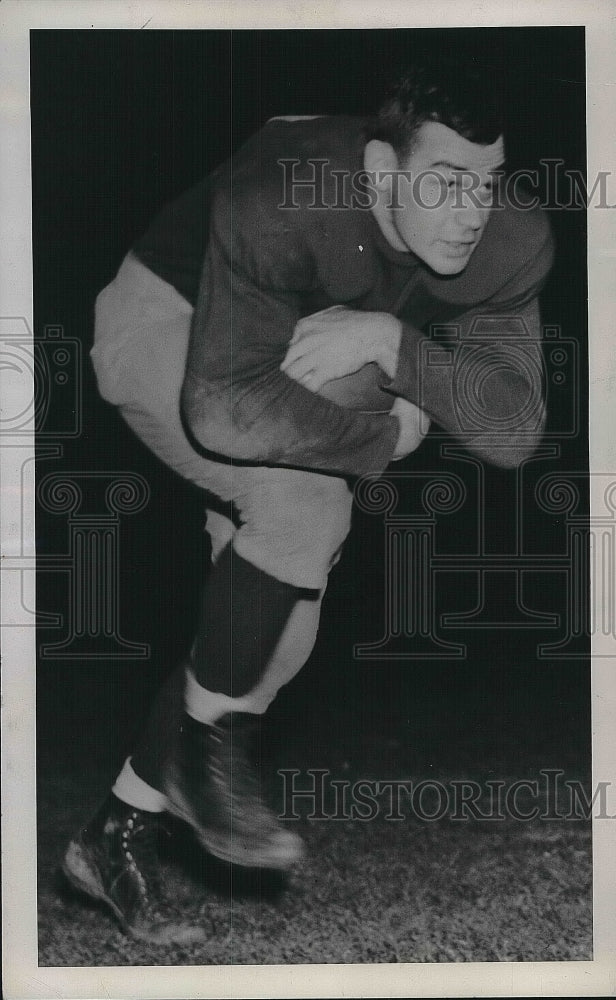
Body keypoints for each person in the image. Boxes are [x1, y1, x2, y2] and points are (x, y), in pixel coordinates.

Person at [62, 58, 554, 943]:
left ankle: (118, 829)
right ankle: (207, 755)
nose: (470, 211)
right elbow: (222, 406)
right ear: (380, 169)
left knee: (277, 636)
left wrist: (398, 346)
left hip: (285, 352)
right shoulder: (286, 190)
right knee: (304, 514)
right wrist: (387, 434)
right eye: (444, 182)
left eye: (485, 183)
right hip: (171, 320)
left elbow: (513, 428)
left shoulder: (508, 237)